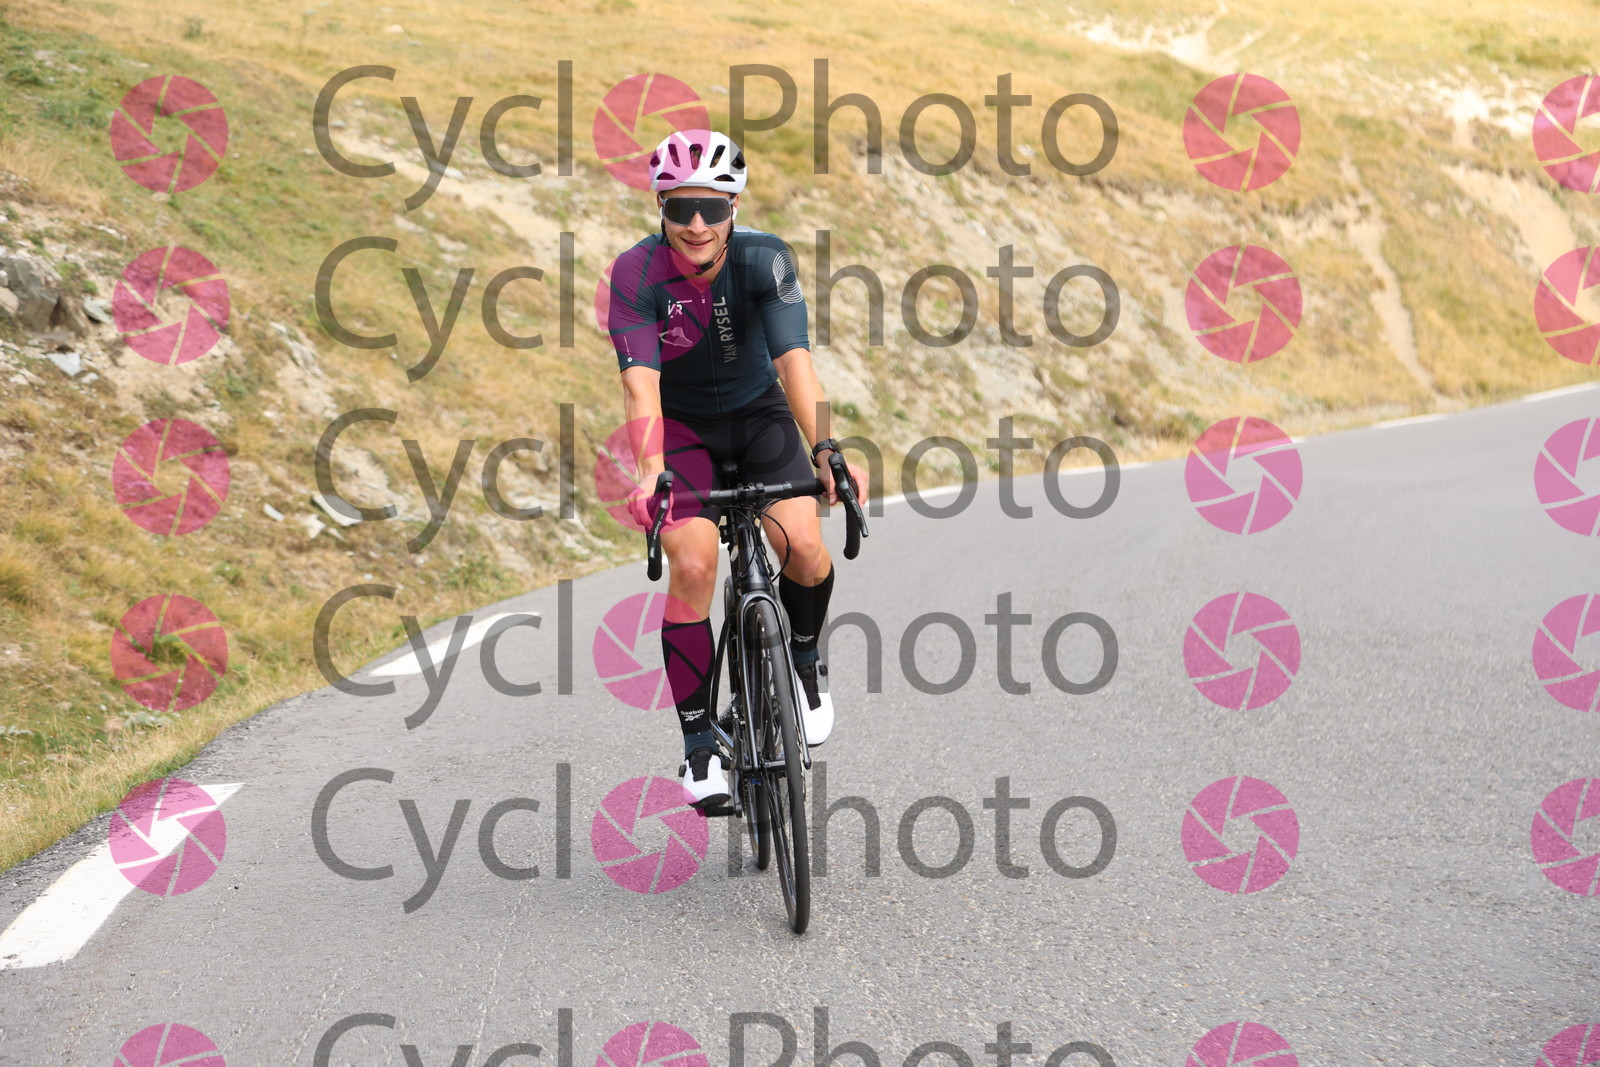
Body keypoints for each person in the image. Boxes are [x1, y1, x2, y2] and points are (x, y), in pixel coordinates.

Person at [604, 130, 868, 809]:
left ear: (735, 208)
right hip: (682, 433)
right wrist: (651, 473)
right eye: (681, 208)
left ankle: (803, 663)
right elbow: (640, 388)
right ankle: (699, 745)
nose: (697, 224)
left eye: (713, 208)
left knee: (804, 544)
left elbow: (795, 364)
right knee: (693, 566)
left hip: (759, 417)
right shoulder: (635, 274)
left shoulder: (763, 258)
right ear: (660, 207)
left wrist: (826, 448)